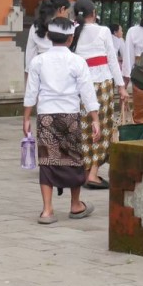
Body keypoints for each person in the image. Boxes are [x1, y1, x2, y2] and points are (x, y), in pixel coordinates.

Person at [24, 18, 100, 224]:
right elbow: (87, 92)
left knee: (47, 161)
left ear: (48, 36)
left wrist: (26, 117)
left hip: (46, 115)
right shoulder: (77, 61)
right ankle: (75, 204)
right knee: (74, 158)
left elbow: (31, 91)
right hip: (70, 115)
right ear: (70, 38)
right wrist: (95, 119)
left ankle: (47, 210)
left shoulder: (38, 61)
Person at [69, 0, 126, 190]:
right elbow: (111, 59)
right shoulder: (102, 31)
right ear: (93, 13)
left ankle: (85, 171)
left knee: (84, 127)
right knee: (102, 126)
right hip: (102, 84)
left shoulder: (73, 32)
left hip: (79, 86)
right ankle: (93, 173)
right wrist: (121, 86)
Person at [25, 0, 72, 75]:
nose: (67, 14)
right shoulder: (68, 26)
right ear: (62, 9)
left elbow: (30, 50)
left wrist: (28, 70)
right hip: (64, 65)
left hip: (41, 66)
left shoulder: (35, 26)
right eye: (67, 11)